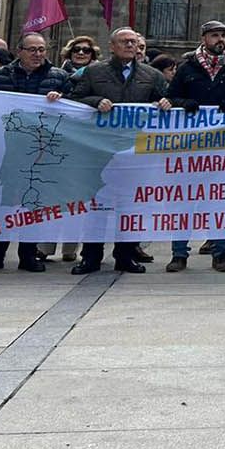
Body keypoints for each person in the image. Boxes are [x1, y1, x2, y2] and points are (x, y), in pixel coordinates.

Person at [50, 28, 171, 274]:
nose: (130, 45)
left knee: (130, 206)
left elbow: (168, 100)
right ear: (112, 46)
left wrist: (165, 102)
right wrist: (95, 102)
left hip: (134, 152)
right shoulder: (94, 72)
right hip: (99, 152)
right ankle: (91, 257)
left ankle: (125, 256)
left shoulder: (152, 75)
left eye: (134, 42)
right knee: (97, 206)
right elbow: (73, 100)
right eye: (124, 42)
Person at [0, 34, 66, 273]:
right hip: (6, 150)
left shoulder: (58, 77)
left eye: (42, 49)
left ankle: (28, 254)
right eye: (32, 50)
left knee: (33, 203)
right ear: (20, 51)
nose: (38, 54)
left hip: (41, 153)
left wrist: (62, 98)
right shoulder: (1, 75)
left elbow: (74, 106)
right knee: (1, 203)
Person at [165, 20, 225, 273]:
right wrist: (184, 102)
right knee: (184, 201)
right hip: (191, 146)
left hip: (224, 147)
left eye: (223, 35)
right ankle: (179, 253)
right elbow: (172, 95)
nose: (219, 39)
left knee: (220, 201)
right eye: (214, 35)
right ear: (203, 38)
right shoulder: (188, 66)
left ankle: (220, 252)